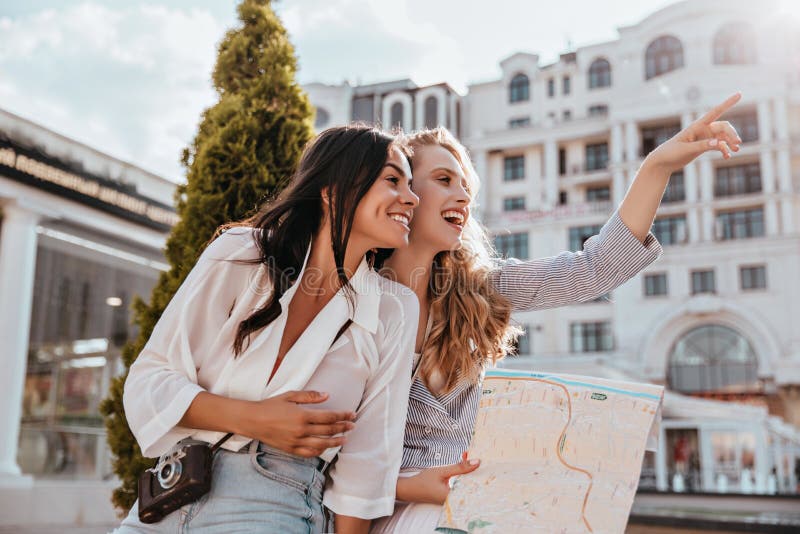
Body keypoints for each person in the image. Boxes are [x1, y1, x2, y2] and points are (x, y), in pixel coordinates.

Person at [370, 94, 743, 532]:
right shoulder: (357, 299)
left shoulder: (479, 287)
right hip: (392, 516)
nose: (462, 197)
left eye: (465, 186)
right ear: (404, 192)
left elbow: (593, 271)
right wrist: (408, 486)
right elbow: (328, 449)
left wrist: (657, 166)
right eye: (444, 179)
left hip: (478, 511)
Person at [115, 124, 420, 533]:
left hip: (275, 502)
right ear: (332, 190)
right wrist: (254, 419)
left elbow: (366, 466)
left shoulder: (393, 309)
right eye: (392, 180)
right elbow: (149, 381)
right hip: (170, 494)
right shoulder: (241, 254)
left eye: (412, 185)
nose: (412, 197)